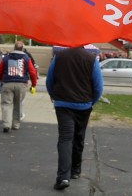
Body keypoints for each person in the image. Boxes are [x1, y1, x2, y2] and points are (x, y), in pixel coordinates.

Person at [46, 45, 104, 191]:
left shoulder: (59, 57)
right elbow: (98, 86)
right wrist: (92, 101)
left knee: (65, 139)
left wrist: (53, 95)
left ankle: (63, 177)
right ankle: (76, 170)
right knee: (79, 137)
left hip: (63, 104)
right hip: (84, 105)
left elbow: (49, 80)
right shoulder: (91, 59)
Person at [0, 42, 37, 133]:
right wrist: (33, 84)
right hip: (21, 84)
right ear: (22, 49)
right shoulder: (26, 58)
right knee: (18, 105)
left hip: (7, 83)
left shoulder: (6, 58)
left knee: (6, 104)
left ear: (14, 48)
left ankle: (6, 124)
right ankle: (16, 124)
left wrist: (1, 79)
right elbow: (33, 73)